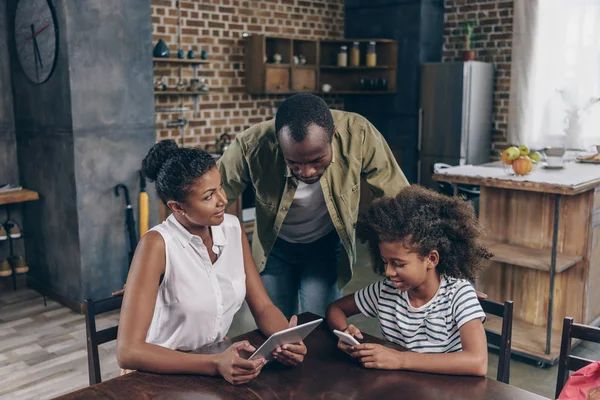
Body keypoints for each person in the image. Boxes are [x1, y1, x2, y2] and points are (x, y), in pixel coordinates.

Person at [116, 140, 307, 385]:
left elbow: (262, 306)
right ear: (177, 207)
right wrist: (215, 364)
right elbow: (128, 352)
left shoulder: (232, 227)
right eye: (208, 196)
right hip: (156, 373)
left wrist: (286, 339)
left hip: (212, 362)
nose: (222, 200)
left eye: (220, 188)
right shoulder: (157, 245)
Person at [218, 93, 409, 318]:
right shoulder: (251, 144)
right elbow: (210, 195)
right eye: (293, 163)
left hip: (325, 247)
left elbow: (399, 199)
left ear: (333, 136)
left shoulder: (358, 134)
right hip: (273, 249)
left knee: (320, 327)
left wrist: (412, 255)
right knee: (278, 332)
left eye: (317, 160)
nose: (307, 172)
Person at [326, 185, 491, 376]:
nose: (388, 272)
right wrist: (344, 331)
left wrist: (399, 359)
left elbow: (477, 362)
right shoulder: (384, 292)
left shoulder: (459, 295)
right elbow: (335, 309)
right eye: (385, 261)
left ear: (431, 259)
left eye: (398, 264)